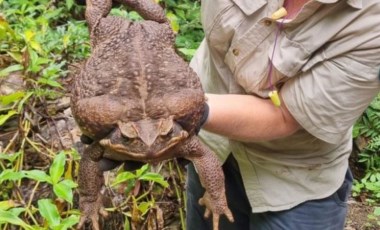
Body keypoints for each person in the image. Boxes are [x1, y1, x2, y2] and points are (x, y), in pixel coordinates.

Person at [186, 0, 380, 229]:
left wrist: (187, 108)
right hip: (212, 151)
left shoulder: (371, 21)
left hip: (292, 179)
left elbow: (285, 116)